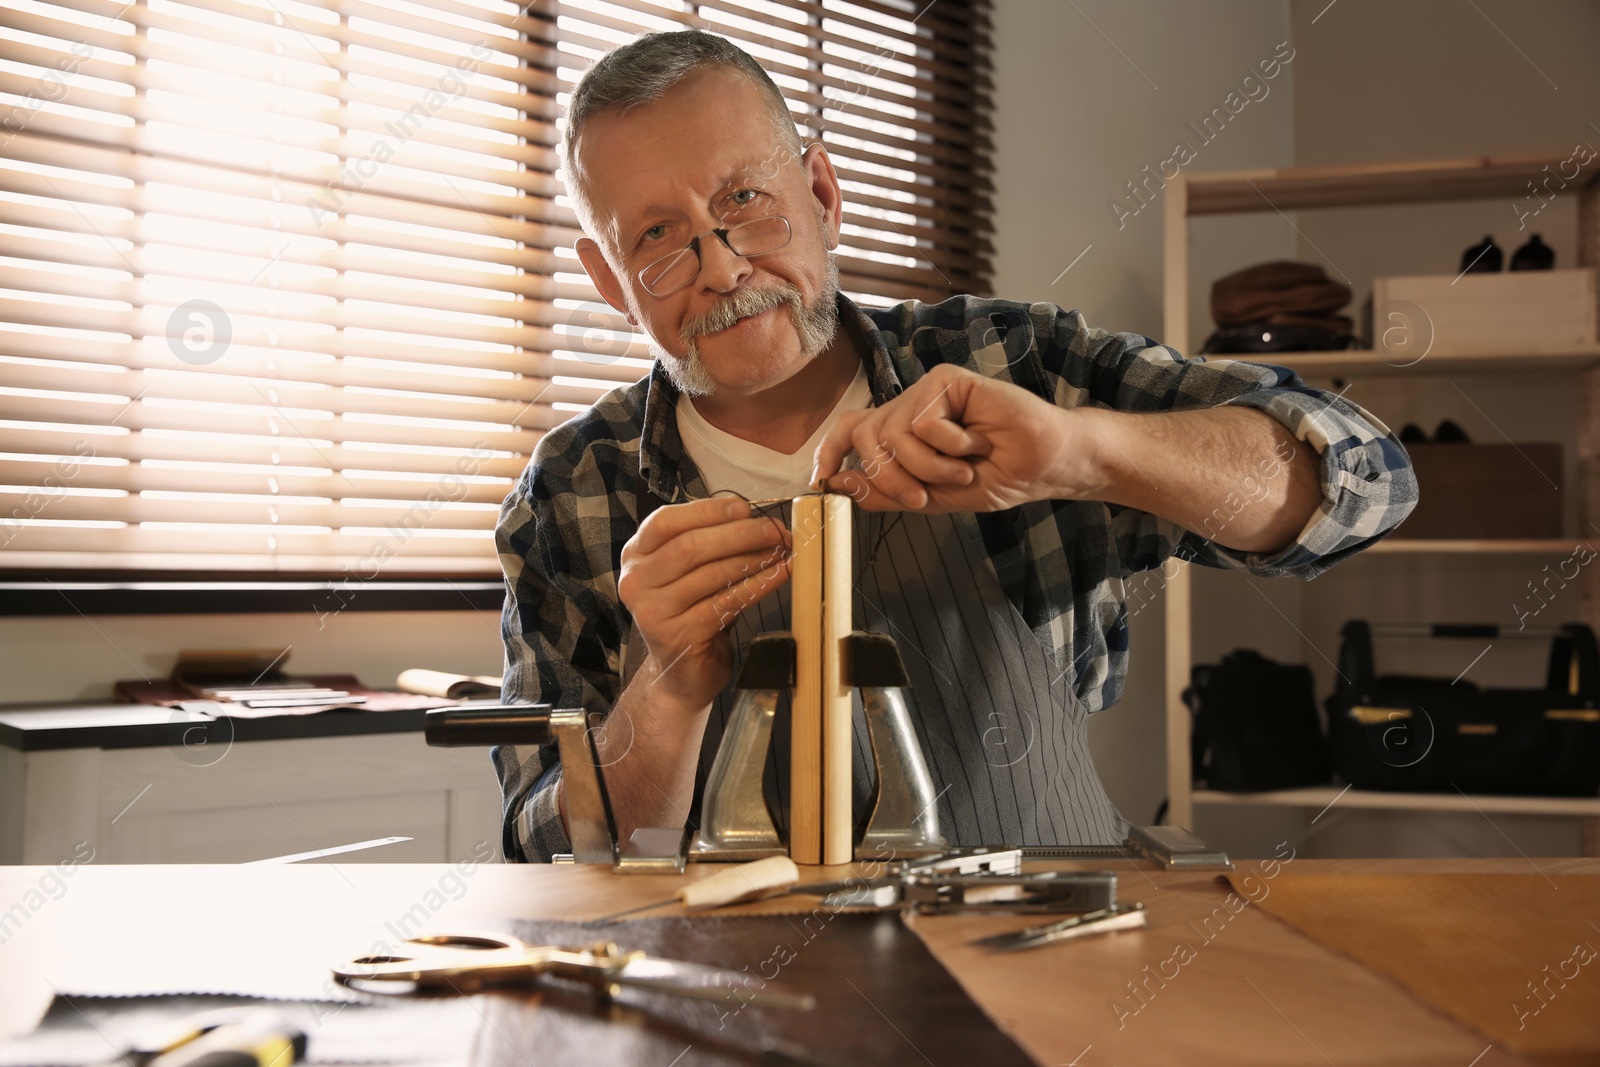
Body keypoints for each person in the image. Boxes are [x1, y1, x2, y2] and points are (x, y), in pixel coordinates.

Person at [492, 30, 1416, 862]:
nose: (726, 268)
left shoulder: (1010, 361)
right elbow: (549, 857)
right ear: (611, 280)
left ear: (821, 192)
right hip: (729, 1001)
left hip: (1044, 971)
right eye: (659, 238)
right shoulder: (573, 490)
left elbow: (1366, 481)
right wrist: (664, 691)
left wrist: (1080, 451)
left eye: (747, 199)